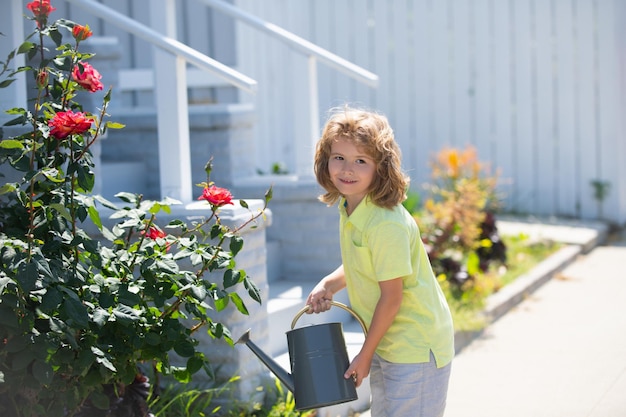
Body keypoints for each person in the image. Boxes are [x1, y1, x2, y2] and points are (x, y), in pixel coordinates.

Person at [305, 107, 454, 417]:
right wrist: (329, 284)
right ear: (326, 160)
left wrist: (364, 354)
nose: (347, 169)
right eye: (339, 158)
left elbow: (392, 296)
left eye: (361, 160)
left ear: (380, 168)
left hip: (414, 345)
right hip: (389, 342)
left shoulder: (385, 224)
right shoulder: (352, 208)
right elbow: (366, 264)